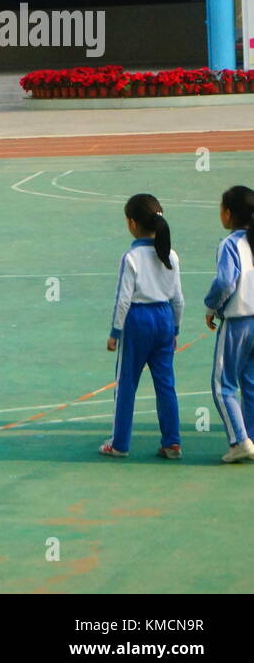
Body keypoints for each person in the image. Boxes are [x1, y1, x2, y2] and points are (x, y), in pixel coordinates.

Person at [102, 194, 183, 459]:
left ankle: (120, 443)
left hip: (137, 320)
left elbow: (123, 299)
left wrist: (115, 332)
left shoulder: (132, 257)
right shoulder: (170, 255)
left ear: (133, 223)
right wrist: (175, 329)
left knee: (126, 384)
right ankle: (172, 442)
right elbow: (178, 299)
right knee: (165, 384)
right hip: (164, 319)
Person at [203, 185, 254, 463]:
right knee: (251, 382)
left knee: (223, 384)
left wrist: (212, 306)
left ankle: (238, 440)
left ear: (229, 214)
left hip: (238, 322)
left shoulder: (231, 244)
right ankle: (252, 437)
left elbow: (225, 282)